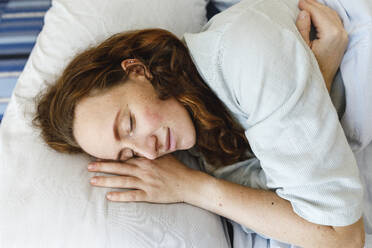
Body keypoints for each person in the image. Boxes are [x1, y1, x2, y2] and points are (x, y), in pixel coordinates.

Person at [32, 0, 365, 247]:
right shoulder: (205, 136)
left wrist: (191, 188)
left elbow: (342, 235)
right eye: (127, 155)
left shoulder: (243, 53)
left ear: (137, 71)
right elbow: (286, 198)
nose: (148, 152)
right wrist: (317, 79)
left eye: (129, 124)